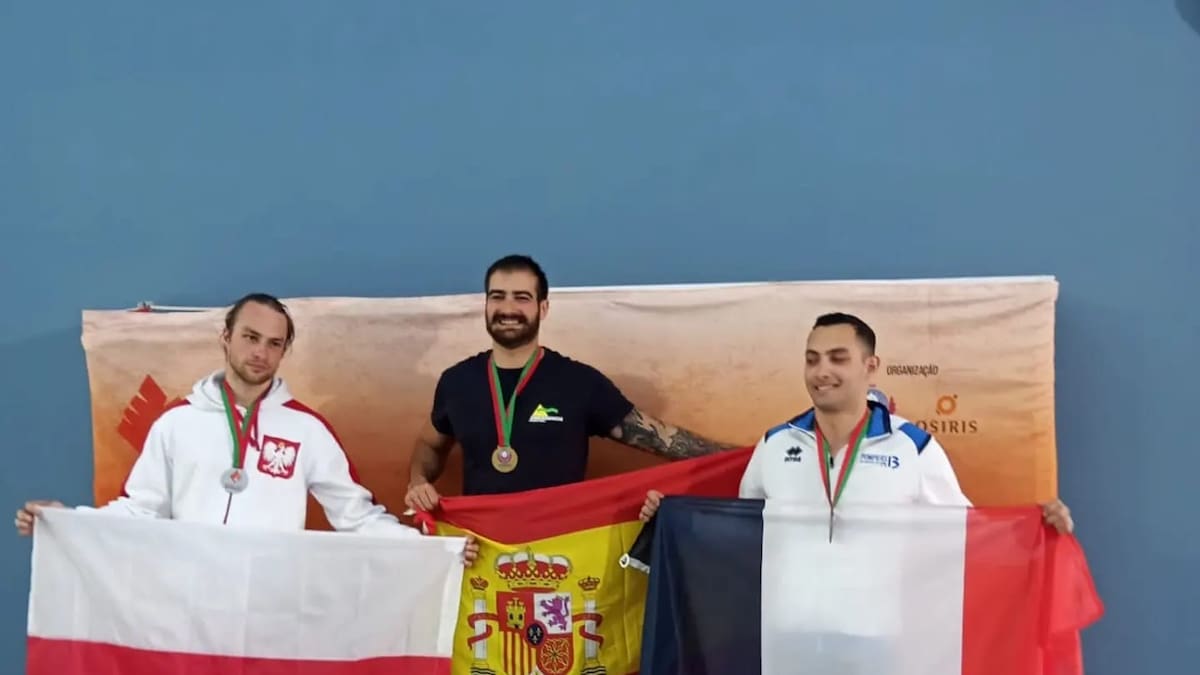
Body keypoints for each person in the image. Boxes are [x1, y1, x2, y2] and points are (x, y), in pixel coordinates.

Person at [16, 293, 479, 564]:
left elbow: (356, 518)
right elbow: (141, 509)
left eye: (274, 344)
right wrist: (66, 522)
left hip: (271, 607)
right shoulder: (176, 423)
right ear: (226, 337)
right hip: (188, 605)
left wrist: (435, 550)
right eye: (251, 338)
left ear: (284, 352)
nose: (261, 352)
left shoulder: (307, 430)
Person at [638, 312, 1074, 533]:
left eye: (837, 358)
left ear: (871, 367)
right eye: (812, 359)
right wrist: (674, 519)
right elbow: (742, 534)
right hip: (787, 637)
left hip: (881, 642)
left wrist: (1035, 528)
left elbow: (970, 535)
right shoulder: (775, 445)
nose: (821, 371)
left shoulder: (914, 448)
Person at [405, 255, 739, 510]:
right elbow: (430, 444)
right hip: (481, 553)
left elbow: (661, 439)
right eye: (498, 296)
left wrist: (749, 458)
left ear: (543, 308)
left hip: (560, 551)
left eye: (521, 297)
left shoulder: (579, 383)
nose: (508, 308)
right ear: (486, 304)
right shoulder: (456, 382)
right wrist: (418, 481)